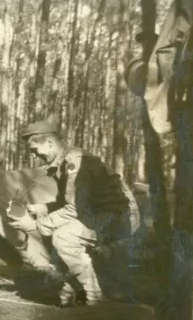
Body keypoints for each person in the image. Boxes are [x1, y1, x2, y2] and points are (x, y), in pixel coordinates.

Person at [7, 118, 141, 307]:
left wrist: (36, 225)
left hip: (122, 216)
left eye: (35, 150)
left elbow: (74, 209)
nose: (36, 156)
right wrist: (40, 209)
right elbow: (70, 202)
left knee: (64, 237)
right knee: (60, 233)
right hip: (101, 214)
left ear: (49, 142)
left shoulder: (73, 161)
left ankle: (95, 300)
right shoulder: (65, 162)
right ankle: (70, 292)